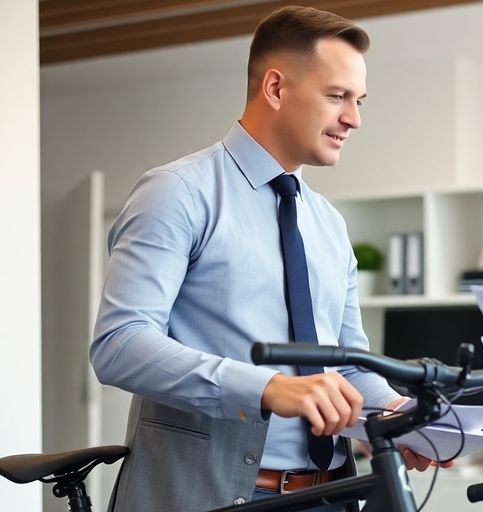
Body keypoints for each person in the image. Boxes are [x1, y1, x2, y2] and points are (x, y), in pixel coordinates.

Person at [90, 6, 444, 511]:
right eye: (337, 96)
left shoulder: (328, 224)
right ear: (276, 89)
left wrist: (398, 411)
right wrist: (266, 387)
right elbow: (119, 345)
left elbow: (346, 364)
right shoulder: (179, 193)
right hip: (213, 495)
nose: (354, 118)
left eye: (358, 100)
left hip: (334, 493)